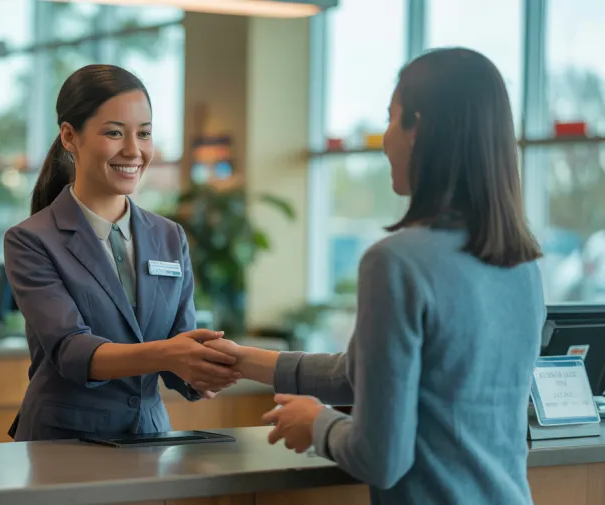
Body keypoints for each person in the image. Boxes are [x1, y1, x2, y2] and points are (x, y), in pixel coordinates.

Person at [205, 47, 545, 505]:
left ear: (418, 127)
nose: (385, 139)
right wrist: (243, 359)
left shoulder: (397, 261)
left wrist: (316, 422)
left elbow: (381, 457)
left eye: (392, 118)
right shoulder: (522, 263)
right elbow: (360, 374)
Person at [4, 64, 240, 441]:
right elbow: (71, 351)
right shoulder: (32, 240)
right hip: (63, 444)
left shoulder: (169, 236)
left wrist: (202, 371)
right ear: (69, 136)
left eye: (144, 134)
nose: (134, 151)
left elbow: (179, 341)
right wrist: (171, 354)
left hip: (149, 440)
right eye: (114, 133)